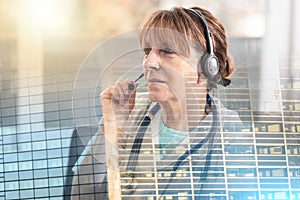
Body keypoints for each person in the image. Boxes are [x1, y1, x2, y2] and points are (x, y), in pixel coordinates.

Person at [71, 6, 244, 200]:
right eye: (147, 51)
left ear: (206, 68)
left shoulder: (231, 136)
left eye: (167, 51)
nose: (148, 63)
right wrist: (111, 125)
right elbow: (81, 195)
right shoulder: (132, 111)